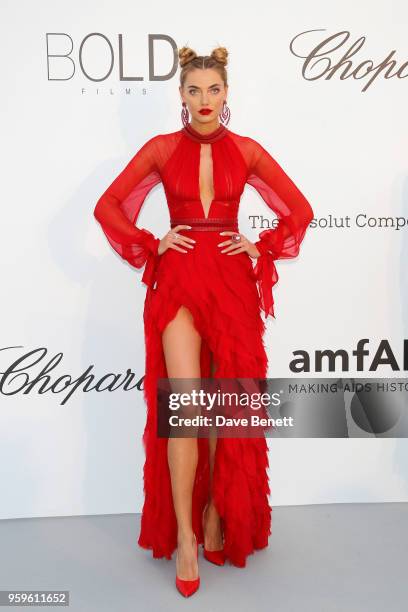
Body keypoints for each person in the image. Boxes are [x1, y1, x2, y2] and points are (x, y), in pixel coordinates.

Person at [93, 45, 314, 598]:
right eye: (194, 90)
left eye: (213, 90)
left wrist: (261, 248)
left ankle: (217, 511)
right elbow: (109, 205)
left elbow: (299, 210)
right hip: (181, 282)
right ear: (181, 96)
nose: (204, 100)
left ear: (227, 93)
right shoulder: (164, 149)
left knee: (227, 411)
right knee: (186, 409)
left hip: (233, 285)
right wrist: (151, 244)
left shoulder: (248, 150)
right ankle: (188, 538)